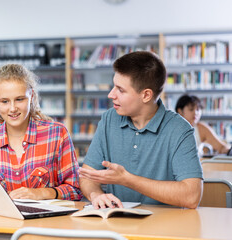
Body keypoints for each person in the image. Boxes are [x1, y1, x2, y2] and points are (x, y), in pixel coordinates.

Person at [79, 51, 203, 209]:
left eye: (120, 90)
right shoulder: (109, 119)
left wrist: (127, 179)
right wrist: (96, 195)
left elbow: (191, 196)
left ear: (146, 95)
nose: (111, 95)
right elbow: (87, 175)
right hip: (115, 225)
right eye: (113, 86)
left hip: (164, 228)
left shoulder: (180, 130)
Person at [0, 64, 82, 200]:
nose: (12, 108)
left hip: (44, 221)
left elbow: (75, 189)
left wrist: (42, 193)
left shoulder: (57, 134)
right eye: (4, 101)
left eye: (19, 99)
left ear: (31, 96)